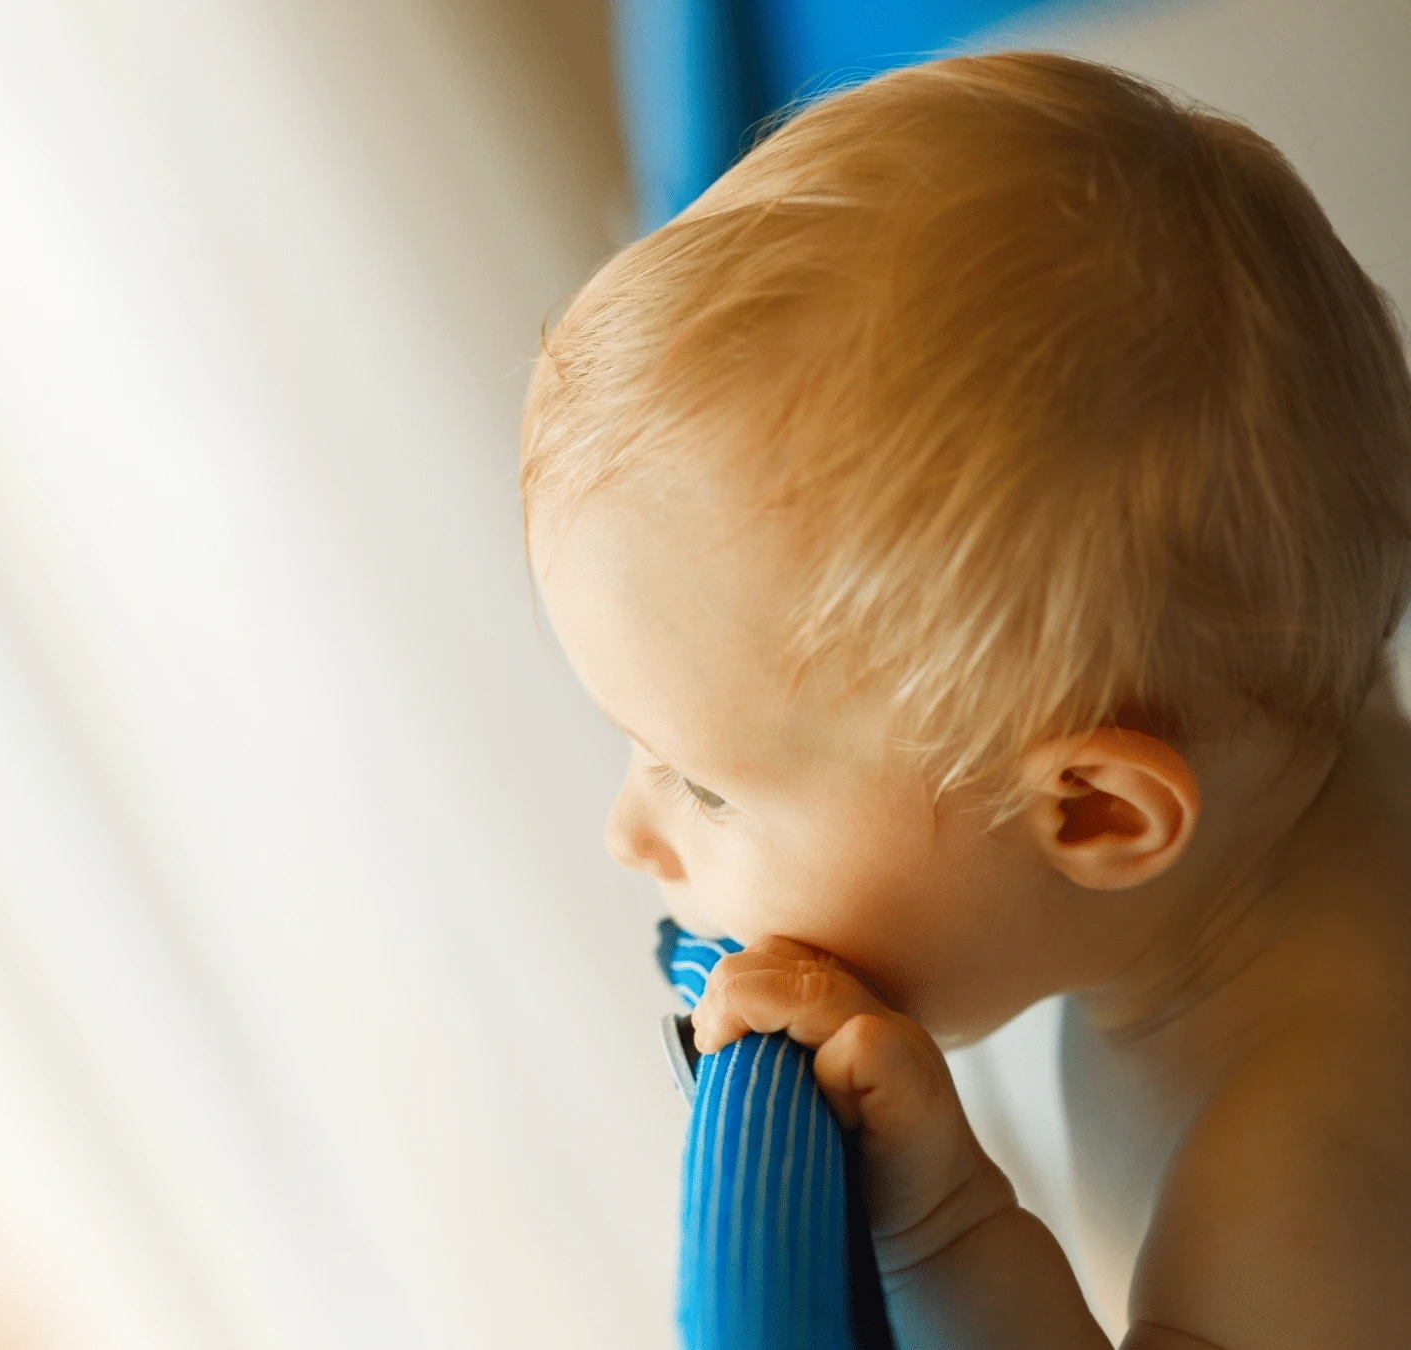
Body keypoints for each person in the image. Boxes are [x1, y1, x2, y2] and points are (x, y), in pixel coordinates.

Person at [520, 50, 1411, 1350]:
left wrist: (938, 1228)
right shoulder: (1300, 755)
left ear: (1095, 813)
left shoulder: (1303, 1186)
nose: (631, 835)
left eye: (701, 782)